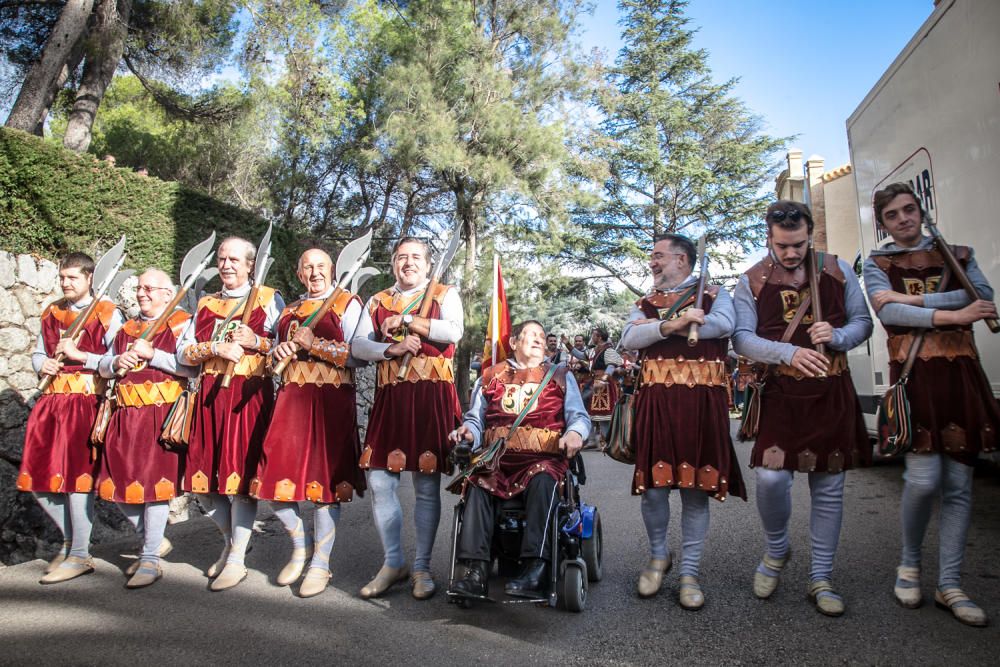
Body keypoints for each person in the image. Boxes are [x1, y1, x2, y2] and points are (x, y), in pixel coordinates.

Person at [863, 182, 998, 627]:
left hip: (961, 374)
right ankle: (909, 563)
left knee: (959, 483)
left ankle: (951, 583)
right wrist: (955, 315)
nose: (904, 219)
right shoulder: (879, 263)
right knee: (922, 480)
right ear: (882, 222)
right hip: (916, 376)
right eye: (893, 215)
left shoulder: (958, 253)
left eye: (909, 210)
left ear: (920, 210)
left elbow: (980, 297)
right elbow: (889, 314)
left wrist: (915, 300)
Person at [733, 201, 872, 617]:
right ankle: (776, 551)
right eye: (782, 245)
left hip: (831, 388)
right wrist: (789, 352)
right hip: (781, 393)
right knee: (773, 479)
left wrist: (840, 334)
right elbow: (741, 339)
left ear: (810, 234)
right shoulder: (752, 280)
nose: (791, 253)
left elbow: (863, 322)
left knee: (829, 487)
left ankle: (821, 576)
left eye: (799, 244)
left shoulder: (838, 269)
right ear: (769, 238)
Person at [620, 233, 747, 610]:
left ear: (682, 260)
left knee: (695, 488)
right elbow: (630, 337)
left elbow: (725, 325)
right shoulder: (645, 303)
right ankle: (659, 557)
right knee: (655, 487)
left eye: (658, 256)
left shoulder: (715, 295)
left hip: (701, 405)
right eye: (652, 257)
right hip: (657, 403)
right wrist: (673, 326)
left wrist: (695, 320)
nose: (652, 262)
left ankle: (690, 571)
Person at [251, 248, 367, 598]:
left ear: (331, 270)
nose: (315, 273)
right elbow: (271, 352)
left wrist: (314, 344)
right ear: (299, 274)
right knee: (272, 480)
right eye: (307, 268)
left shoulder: (348, 303)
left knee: (325, 486)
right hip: (290, 401)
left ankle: (320, 562)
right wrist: (278, 352)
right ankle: (300, 546)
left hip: (332, 402)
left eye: (320, 267)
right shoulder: (287, 311)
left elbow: (358, 356)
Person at [352, 237, 463, 600]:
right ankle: (393, 561)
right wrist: (393, 347)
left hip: (431, 396)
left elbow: (453, 331)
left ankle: (422, 567)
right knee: (381, 481)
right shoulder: (377, 300)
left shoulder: (445, 294)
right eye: (401, 257)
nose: (408, 262)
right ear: (393, 264)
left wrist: (412, 321)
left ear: (428, 265)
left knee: (426, 485)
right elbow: (357, 345)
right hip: (391, 396)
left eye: (416, 257)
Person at [448, 320, 590, 598]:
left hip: (543, 458)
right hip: (499, 460)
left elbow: (579, 416)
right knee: (477, 483)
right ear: (513, 343)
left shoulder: (560, 374)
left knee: (542, 479)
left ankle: (535, 567)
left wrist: (575, 433)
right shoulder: (490, 376)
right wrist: (468, 434)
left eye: (541, 335)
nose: (538, 339)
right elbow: (476, 420)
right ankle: (475, 572)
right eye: (530, 335)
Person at [177, 236, 284, 591]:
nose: (226, 265)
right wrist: (214, 347)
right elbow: (183, 352)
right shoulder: (206, 303)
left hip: (248, 397)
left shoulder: (268, 299)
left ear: (251, 265)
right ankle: (232, 542)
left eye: (235, 259)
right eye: (222, 258)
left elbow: (285, 347)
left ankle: (237, 559)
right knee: (204, 483)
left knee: (240, 482)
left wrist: (257, 342)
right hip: (210, 396)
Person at [17, 252, 124, 584]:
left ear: (89, 277)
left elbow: (117, 361)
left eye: (73, 278)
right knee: (38, 476)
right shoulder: (52, 312)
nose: (65, 283)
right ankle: (71, 542)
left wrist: (83, 357)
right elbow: (38, 352)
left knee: (78, 480)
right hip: (51, 402)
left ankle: (79, 552)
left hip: (85, 401)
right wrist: (42, 364)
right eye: (63, 278)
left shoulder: (107, 313)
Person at [95, 269, 198, 588]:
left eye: (150, 288)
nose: (142, 293)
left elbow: (190, 366)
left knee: (155, 489)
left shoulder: (181, 321)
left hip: (162, 414)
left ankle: (150, 558)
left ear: (168, 294)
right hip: (125, 415)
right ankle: (151, 539)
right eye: (140, 288)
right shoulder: (126, 328)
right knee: (114, 484)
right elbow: (103, 365)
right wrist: (117, 363)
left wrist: (153, 354)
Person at [586, 327, 621, 447]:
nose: (592, 337)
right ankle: (591, 441)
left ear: (599, 337)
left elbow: (611, 366)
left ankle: (608, 441)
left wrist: (603, 380)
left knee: (605, 415)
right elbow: (580, 355)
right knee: (589, 413)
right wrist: (567, 344)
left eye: (593, 335)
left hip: (604, 385)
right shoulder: (593, 350)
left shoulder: (609, 350)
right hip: (595, 382)